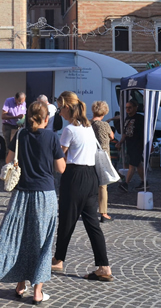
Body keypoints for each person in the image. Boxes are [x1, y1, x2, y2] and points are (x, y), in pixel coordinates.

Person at [0, 101, 65, 305]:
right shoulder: (52, 137)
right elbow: (61, 168)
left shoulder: (20, 135)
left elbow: (8, 159)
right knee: (41, 241)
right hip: (45, 195)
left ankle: (19, 285)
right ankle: (38, 292)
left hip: (21, 194)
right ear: (47, 119)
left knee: (20, 238)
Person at [51, 91, 113, 282]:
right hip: (91, 177)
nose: (59, 113)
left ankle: (58, 259)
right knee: (92, 224)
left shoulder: (70, 130)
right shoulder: (88, 128)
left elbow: (59, 158)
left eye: (60, 108)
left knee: (67, 221)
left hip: (74, 176)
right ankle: (104, 266)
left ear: (67, 107)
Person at [91, 101, 115, 222]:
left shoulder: (88, 124)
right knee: (102, 185)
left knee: (91, 183)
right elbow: (112, 136)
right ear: (104, 112)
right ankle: (103, 213)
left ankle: (87, 209)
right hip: (103, 156)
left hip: (90, 155)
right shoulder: (105, 125)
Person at [114, 99, 145, 193]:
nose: (128, 109)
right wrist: (120, 142)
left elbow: (144, 132)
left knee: (132, 164)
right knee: (138, 163)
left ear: (136, 107)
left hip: (138, 144)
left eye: (130, 107)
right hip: (130, 144)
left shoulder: (140, 118)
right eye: (126, 108)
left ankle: (126, 184)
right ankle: (144, 182)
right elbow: (125, 133)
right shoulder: (127, 119)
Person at [2, 92, 27, 156]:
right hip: (8, 126)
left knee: (18, 147)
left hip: (18, 127)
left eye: (22, 102)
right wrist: (15, 117)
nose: (20, 104)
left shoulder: (23, 103)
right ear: (15, 98)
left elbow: (23, 114)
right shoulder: (8, 101)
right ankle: (8, 164)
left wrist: (23, 119)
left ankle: (16, 163)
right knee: (9, 147)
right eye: (19, 102)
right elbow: (3, 116)